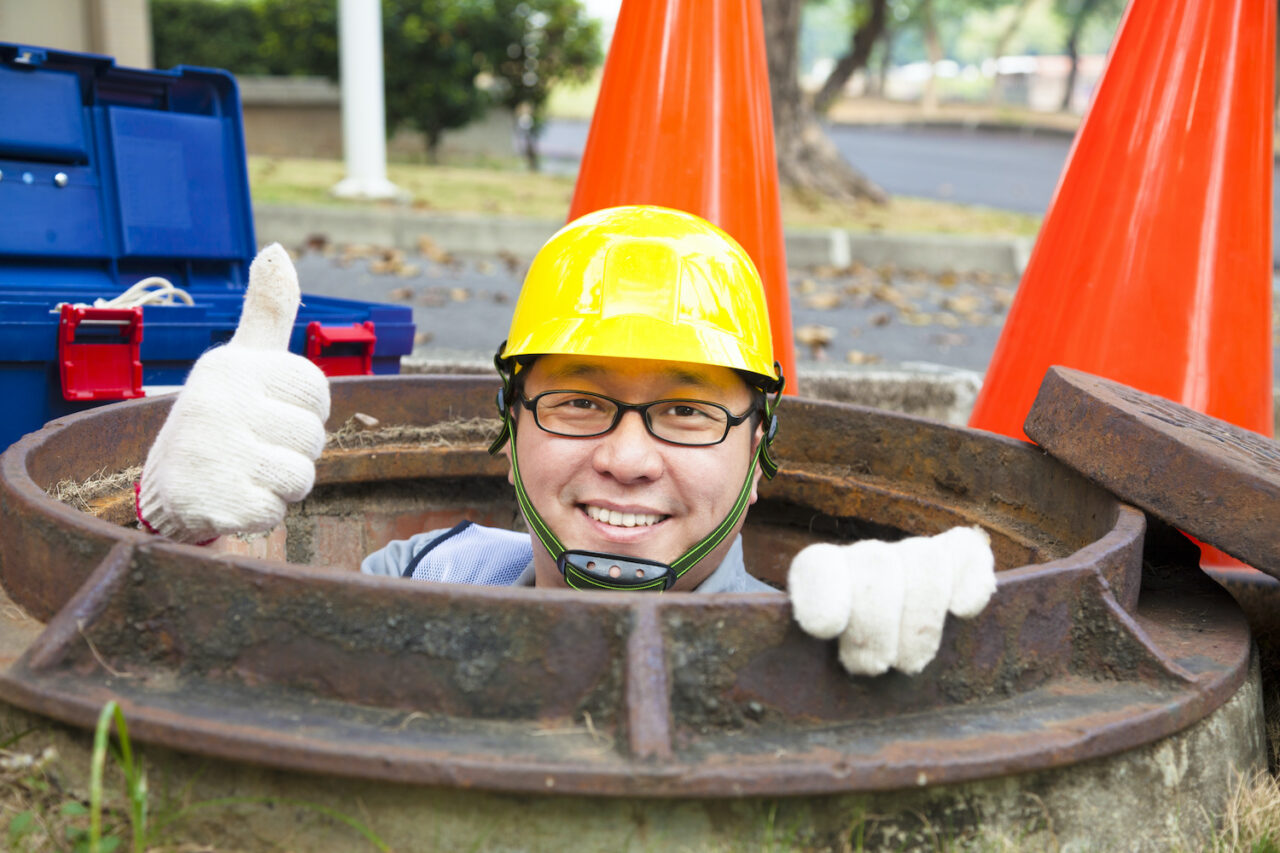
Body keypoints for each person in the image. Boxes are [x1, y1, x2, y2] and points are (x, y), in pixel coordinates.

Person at [136, 205, 996, 675]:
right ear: (508, 432)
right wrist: (201, 532)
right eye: (580, 403)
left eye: (688, 412)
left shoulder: (813, 636)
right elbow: (258, 669)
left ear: (759, 452)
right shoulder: (435, 571)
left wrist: (907, 676)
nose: (626, 458)